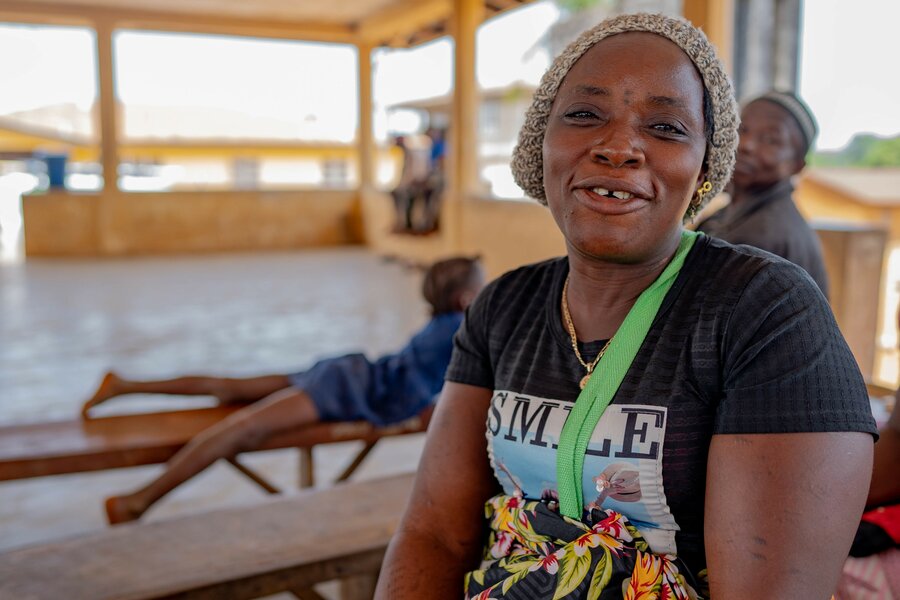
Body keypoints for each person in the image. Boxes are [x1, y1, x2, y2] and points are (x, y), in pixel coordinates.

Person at [376, 13, 876, 599]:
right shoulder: (505, 306)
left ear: (705, 165)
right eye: (585, 114)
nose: (618, 148)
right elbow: (433, 534)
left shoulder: (765, 313)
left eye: (665, 127)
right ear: (542, 142)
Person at [83, 256, 485, 524]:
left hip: (348, 373)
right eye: (483, 289)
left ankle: (124, 384)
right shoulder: (461, 329)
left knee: (227, 387)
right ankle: (141, 499)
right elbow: (437, 390)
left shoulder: (441, 325)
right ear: (466, 298)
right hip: (348, 388)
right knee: (243, 427)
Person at [697, 90, 830, 297]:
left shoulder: (761, 237)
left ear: (797, 166)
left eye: (770, 140)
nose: (747, 145)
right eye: (742, 129)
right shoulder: (732, 215)